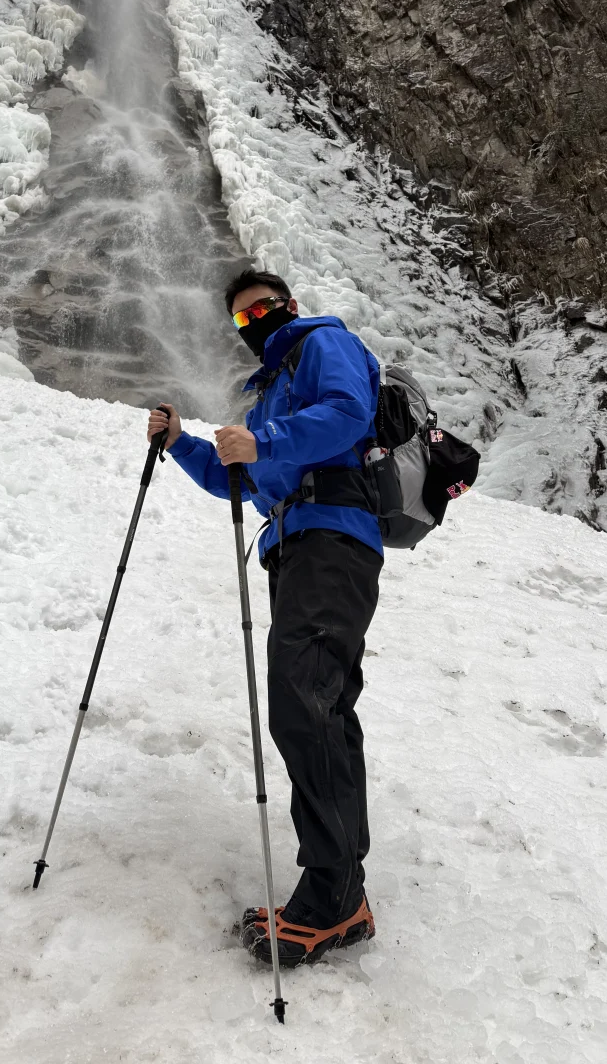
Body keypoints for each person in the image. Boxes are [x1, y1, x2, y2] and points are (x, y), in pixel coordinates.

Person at [146, 268, 383, 968]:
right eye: (243, 318)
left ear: (291, 307)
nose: (256, 322)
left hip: (331, 540)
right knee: (323, 709)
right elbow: (241, 479)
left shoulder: (322, 344)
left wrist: (267, 441)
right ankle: (346, 892)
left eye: (263, 309)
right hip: (300, 548)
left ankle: (334, 899)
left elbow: (347, 413)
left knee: (303, 706)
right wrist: (183, 443)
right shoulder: (274, 394)